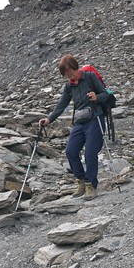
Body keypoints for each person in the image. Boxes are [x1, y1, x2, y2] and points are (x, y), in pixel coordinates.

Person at [39, 54, 109, 200]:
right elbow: (62, 104)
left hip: (95, 118)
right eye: (65, 73)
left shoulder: (89, 77)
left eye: (67, 71)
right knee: (70, 151)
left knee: (90, 152)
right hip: (80, 122)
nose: (67, 75)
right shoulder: (69, 86)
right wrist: (49, 119)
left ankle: (91, 186)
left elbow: (105, 94)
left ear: (73, 67)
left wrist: (96, 97)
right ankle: (81, 181)